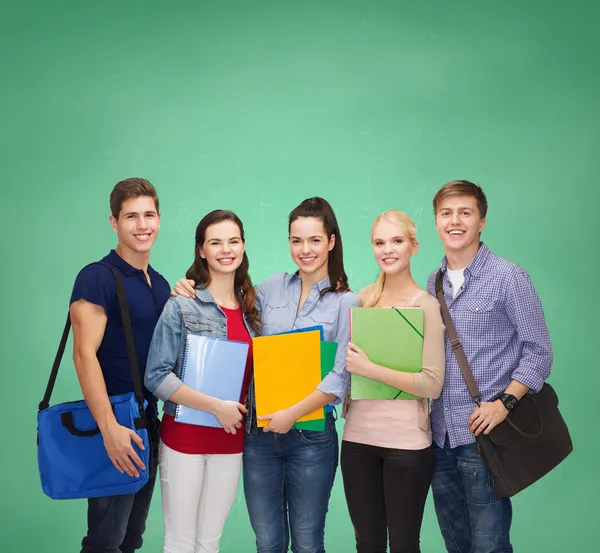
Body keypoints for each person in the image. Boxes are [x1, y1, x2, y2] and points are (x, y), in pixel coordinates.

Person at [175, 197, 359, 553]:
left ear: (331, 242)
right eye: (296, 240)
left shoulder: (345, 303)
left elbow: (341, 376)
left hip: (311, 437)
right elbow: (226, 308)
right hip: (259, 437)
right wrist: (188, 288)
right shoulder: (269, 287)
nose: (305, 250)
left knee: (307, 543)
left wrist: (293, 414)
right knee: (268, 543)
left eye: (315, 240)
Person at [427, 180, 553, 553]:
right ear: (436, 221)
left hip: (485, 439)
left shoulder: (509, 277)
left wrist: (504, 404)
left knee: (489, 546)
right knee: (456, 544)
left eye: (465, 213)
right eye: (447, 213)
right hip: (440, 438)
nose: (455, 221)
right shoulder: (432, 283)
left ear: (481, 221)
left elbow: (539, 353)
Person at [145, 210, 260, 553]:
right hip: (184, 440)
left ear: (243, 246)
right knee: (181, 542)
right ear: (202, 251)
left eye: (233, 241)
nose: (226, 250)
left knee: (209, 542)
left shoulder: (254, 311)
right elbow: (156, 376)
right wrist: (216, 407)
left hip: (231, 441)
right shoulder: (182, 304)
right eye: (216, 242)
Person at [69, 178, 170, 553]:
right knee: (104, 542)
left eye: (148, 215)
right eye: (131, 216)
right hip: (115, 421)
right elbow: (84, 355)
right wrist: (108, 427)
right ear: (114, 222)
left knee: (130, 539)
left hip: (149, 424)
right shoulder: (97, 277)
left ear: (159, 219)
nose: (142, 225)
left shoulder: (158, 284)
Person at [341, 210, 446, 553]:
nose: (388, 250)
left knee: (403, 545)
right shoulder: (361, 299)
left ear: (414, 247)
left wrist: (369, 369)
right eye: (379, 242)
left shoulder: (427, 306)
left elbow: (431, 384)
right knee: (367, 544)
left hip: (408, 447)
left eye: (397, 241)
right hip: (357, 442)